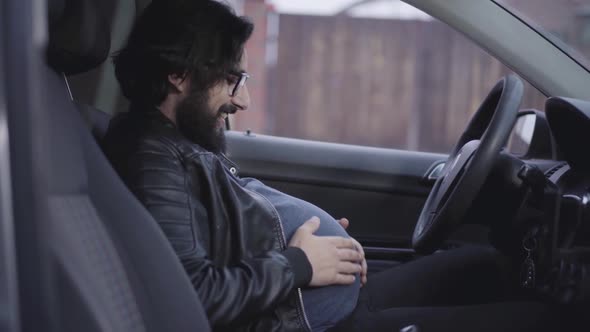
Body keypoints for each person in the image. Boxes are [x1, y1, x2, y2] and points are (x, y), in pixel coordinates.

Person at [102, 1, 570, 331]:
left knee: (485, 266)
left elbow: (221, 227)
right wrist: (299, 263)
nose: (243, 99)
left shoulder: (177, 139)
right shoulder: (152, 160)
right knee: (543, 321)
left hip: (315, 299)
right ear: (178, 75)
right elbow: (194, 296)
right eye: (232, 79)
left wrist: (302, 238)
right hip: (313, 319)